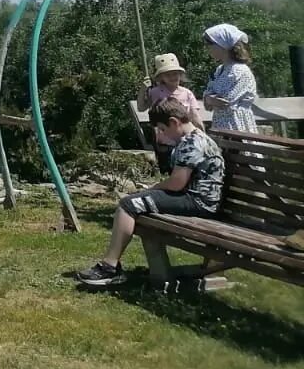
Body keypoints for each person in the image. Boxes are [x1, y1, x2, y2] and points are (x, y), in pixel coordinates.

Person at [77, 98, 226, 288]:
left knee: (128, 205)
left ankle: (109, 268)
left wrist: (153, 189)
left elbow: (177, 183)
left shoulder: (192, 143)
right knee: (133, 203)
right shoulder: (197, 138)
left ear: (174, 122)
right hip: (199, 200)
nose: (163, 134)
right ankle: (111, 266)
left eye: (163, 129)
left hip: (197, 203)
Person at [136, 52, 203, 172]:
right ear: (161, 77)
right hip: (164, 141)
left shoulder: (187, 93)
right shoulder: (155, 92)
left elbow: (195, 116)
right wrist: (143, 90)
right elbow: (141, 107)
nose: (173, 77)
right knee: (167, 168)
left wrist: (202, 134)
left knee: (185, 168)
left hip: (185, 140)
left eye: (175, 74)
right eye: (168, 75)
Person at [202, 23, 259, 133]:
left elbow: (224, 101)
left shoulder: (239, 70)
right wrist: (208, 98)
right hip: (221, 127)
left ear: (222, 44)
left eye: (210, 44)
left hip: (236, 127)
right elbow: (209, 101)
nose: (207, 48)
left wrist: (208, 98)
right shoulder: (220, 70)